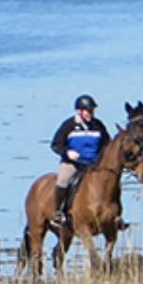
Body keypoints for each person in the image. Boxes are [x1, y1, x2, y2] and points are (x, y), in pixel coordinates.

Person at [48, 94, 110, 227]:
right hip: (73, 163)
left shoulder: (98, 125)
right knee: (63, 180)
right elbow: (56, 144)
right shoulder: (69, 125)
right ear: (79, 111)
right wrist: (67, 153)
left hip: (93, 164)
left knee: (110, 182)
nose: (90, 114)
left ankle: (115, 215)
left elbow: (107, 145)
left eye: (92, 111)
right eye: (88, 111)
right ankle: (58, 212)